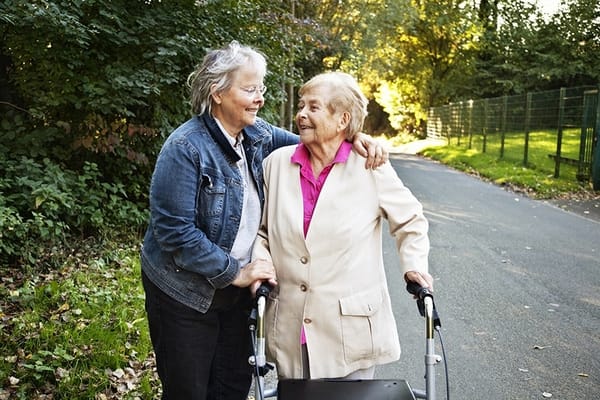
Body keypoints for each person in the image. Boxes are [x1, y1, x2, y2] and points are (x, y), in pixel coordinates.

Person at [140, 42, 388, 400]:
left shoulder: (259, 136)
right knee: (189, 391)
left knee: (232, 386)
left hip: (237, 294)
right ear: (219, 92)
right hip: (185, 293)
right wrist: (235, 272)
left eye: (262, 88)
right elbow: (174, 233)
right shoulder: (185, 148)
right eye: (250, 89)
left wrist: (356, 137)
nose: (259, 98)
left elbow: (320, 140)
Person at [252, 71, 432, 381]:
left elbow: (410, 220)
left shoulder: (370, 166)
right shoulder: (276, 164)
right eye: (301, 106)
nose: (301, 115)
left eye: (313, 107)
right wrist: (262, 261)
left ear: (342, 119)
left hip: (350, 329)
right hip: (291, 326)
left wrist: (414, 266)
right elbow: (261, 232)